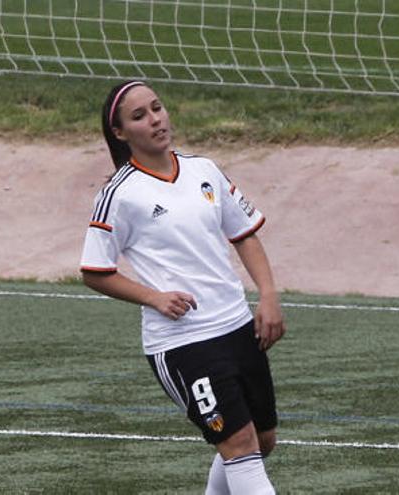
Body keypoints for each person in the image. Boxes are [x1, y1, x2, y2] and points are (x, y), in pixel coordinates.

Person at [80, 80, 285, 494]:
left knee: (261, 441)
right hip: (184, 343)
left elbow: (244, 234)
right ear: (120, 134)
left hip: (237, 326)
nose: (155, 120)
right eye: (139, 116)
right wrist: (153, 297)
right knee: (239, 444)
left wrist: (267, 295)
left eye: (157, 108)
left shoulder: (204, 170)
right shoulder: (120, 195)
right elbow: (94, 270)